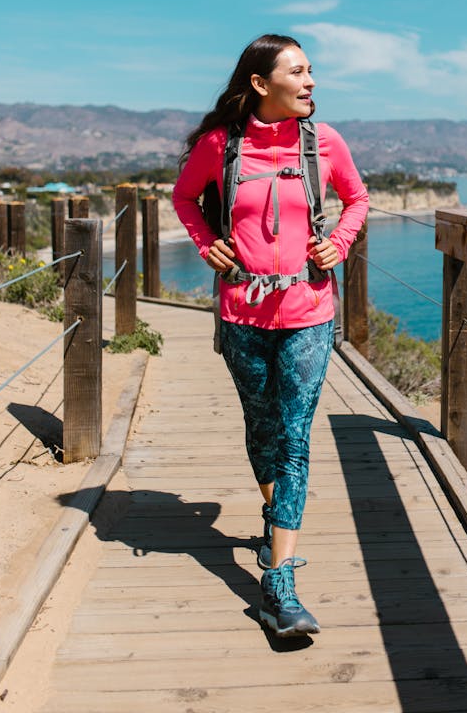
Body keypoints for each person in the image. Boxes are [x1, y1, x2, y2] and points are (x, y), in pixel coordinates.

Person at [173, 34, 368, 637]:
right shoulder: (221, 146)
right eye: (298, 72)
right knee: (262, 428)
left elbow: (357, 199)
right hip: (243, 313)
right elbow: (183, 197)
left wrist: (337, 243)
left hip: (309, 310)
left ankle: (278, 583)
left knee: (294, 437)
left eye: (312, 71)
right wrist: (208, 244)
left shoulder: (325, 143)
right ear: (261, 83)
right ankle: (273, 512)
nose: (311, 81)